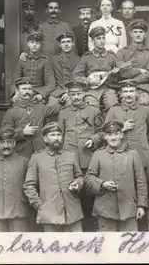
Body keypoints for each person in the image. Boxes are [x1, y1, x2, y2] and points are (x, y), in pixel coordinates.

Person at [57, 80, 105, 231]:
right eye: (72, 94)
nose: (76, 97)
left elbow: (102, 132)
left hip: (88, 159)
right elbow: (60, 135)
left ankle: (91, 225)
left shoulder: (94, 111)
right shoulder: (63, 112)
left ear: (84, 94)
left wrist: (93, 139)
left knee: (89, 192)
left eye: (78, 94)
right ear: (68, 95)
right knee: (72, 193)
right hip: (70, 159)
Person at [85, 121, 148, 232]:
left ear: (121, 135)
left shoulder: (133, 154)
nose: (113, 137)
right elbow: (88, 178)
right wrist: (102, 184)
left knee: (129, 245)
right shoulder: (98, 155)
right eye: (109, 134)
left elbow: (141, 181)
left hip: (129, 209)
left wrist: (141, 205)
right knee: (108, 246)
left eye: (116, 134)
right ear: (104, 137)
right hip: (105, 209)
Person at [24, 122, 84, 232]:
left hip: (73, 213)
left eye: (58, 135)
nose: (56, 138)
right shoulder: (37, 158)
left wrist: (78, 183)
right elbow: (29, 185)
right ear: (45, 139)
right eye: (52, 135)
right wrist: (40, 206)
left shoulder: (71, 155)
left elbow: (79, 176)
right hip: (49, 215)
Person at [1, 77, 60, 159]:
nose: (27, 92)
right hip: (21, 154)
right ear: (17, 91)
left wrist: (63, 100)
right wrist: (22, 132)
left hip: (40, 151)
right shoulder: (11, 112)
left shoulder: (39, 107)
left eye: (29, 89)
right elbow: (5, 134)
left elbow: (56, 110)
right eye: (24, 89)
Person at [105, 79, 149, 169]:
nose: (128, 95)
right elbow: (104, 134)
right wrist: (121, 129)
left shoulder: (146, 110)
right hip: (120, 155)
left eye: (131, 91)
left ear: (137, 93)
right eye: (125, 92)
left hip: (142, 155)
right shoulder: (113, 110)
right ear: (121, 94)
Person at [72, 26, 123, 113]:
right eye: (98, 38)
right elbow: (75, 76)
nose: (102, 41)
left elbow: (121, 71)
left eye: (103, 38)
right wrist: (88, 81)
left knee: (113, 106)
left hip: (108, 88)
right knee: (90, 109)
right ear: (92, 41)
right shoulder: (87, 57)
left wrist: (117, 72)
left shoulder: (111, 55)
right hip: (92, 90)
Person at [116, 19, 149, 106]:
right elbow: (121, 72)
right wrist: (139, 70)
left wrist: (132, 80)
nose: (138, 34)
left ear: (145, 34)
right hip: (124, 88)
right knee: (124, 106)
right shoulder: (122, 52)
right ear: (131, 34)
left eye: (141, 32)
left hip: (143, 88)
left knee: (145, 102)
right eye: (135, 32)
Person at [13, 32, 56, 104]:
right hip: (23, 92)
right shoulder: (22, 59)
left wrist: (42, 94)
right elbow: (15, 80)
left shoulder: (45, 60)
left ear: (40, 45)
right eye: (32, 42)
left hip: (38, 93)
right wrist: (16, 92)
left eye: (37, 43)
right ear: (28, 44)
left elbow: (50, 84)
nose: (34, 45)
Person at [48, 31, 81, 108]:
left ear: (73, 43)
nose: (66, 44)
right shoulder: (53, 59)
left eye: (68, 41)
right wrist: (25, 54)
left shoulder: (80, 60)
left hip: (73, 91)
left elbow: (80, 80)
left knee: (71, 107)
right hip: (57, 92)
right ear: (60, 45)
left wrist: (69, 92)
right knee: (50, 108)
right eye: (63, 42)